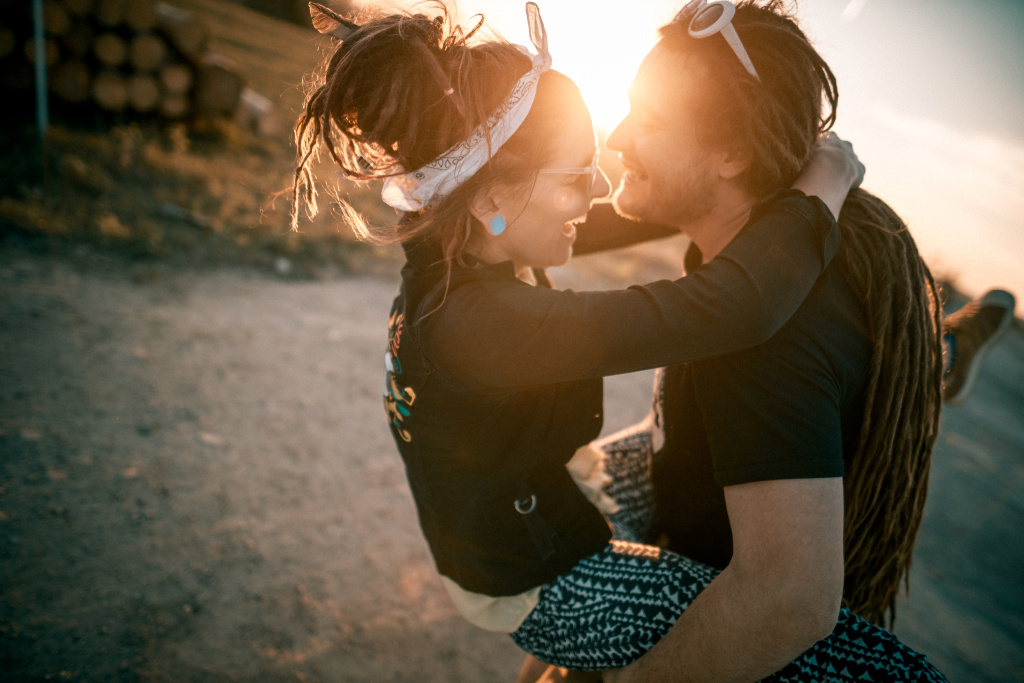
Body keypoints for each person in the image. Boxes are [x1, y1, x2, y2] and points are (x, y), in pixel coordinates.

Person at [292, 2, 952, 681]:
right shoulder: (483, 328)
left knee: (649, 439)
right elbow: (734, 306)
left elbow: (619, 214)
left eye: (649, 120)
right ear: (493, 192)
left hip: (511, 486)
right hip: (536, 568)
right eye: (576, 179)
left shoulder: (462, 240)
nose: (602, 181)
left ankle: (936, 356)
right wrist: (821, 188)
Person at [517, 1, 1012, 680]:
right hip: (691, 444)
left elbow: (788, 600)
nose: (620, 136)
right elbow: (616, 215)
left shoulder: (765, 337)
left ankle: (949, 349)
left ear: (734, 153)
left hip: (707, 583)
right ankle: (957, 344)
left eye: (651, 120)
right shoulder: (771, 228)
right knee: (918, 359)